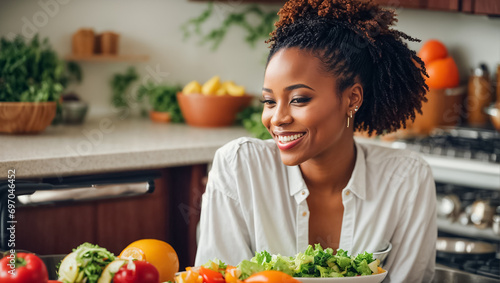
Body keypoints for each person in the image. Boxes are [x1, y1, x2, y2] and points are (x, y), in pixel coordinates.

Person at [195, 0, 437, 282]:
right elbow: (218, 277)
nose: (277, 118)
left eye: (299, 99)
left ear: (352, 99)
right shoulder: (239, 168)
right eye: (269, 101)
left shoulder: (406, 179)